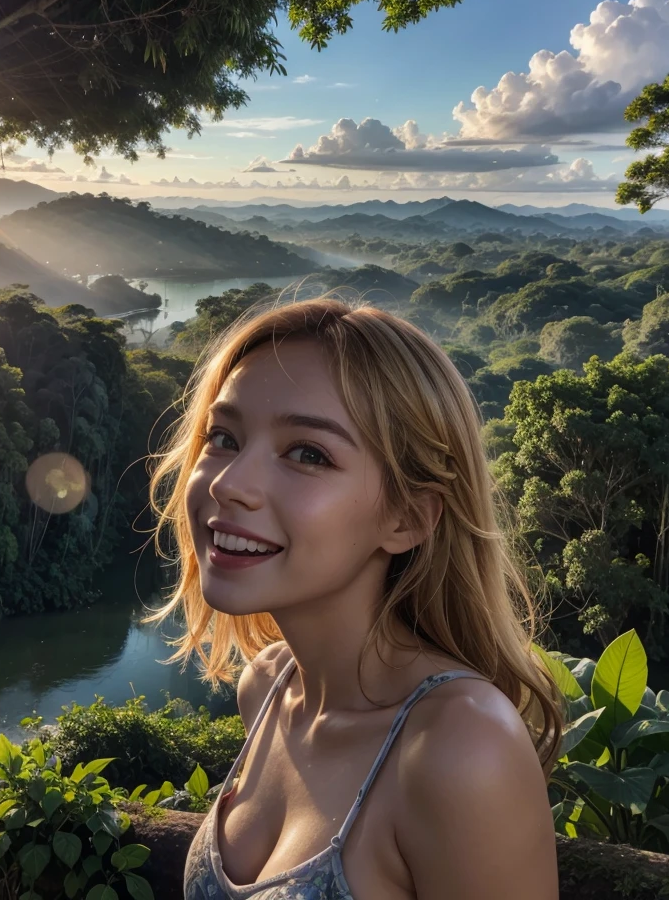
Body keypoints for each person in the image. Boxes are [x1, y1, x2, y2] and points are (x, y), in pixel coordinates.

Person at [143, 295, 565, 900]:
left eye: (307, 454)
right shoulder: (266, 688)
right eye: (224, 437)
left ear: (406, 518)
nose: (230, 484)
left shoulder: (460, 747)